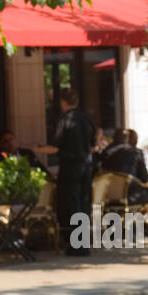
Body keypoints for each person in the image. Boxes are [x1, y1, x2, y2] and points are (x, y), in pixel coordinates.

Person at [37, 88, 96, 255]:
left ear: (63, 102)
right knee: (83, 204)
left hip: (70, 167)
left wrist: (39, 149)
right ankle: (83, 243)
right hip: (86, 166)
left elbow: (56, 147)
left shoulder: (64, 120)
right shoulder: (86, 120)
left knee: (70, 205)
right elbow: (94, 145)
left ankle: (75, 244)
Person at [98, 128, 148, 211]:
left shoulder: (104, 154)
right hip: (132, 196)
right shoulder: (135, 153)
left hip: (107, 197)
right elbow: (145, 178)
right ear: (127, 139)